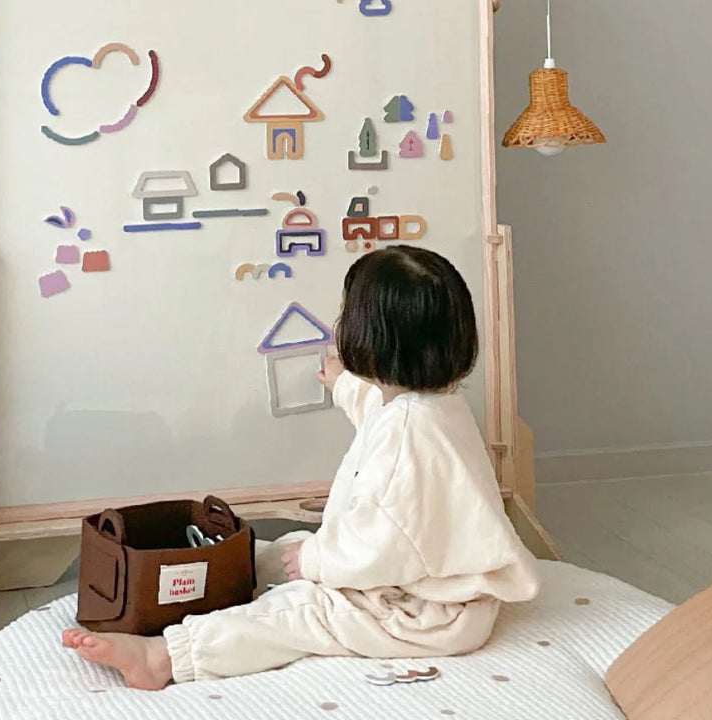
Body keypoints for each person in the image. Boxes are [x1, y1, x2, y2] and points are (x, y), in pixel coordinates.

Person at [64, 245, 540, 689]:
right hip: (422, 582)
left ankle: (164, 658)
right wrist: (343, 384)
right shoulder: (433, 406)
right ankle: (202, 580)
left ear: (370, 337)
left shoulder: (408, 434)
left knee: (302, 610)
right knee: (279, 551)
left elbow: (381, 543)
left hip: (424, 613)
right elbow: (376, 414)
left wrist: (315, 562)